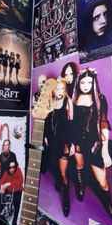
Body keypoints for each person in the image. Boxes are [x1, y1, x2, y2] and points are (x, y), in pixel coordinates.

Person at [72, 68, 112, 221]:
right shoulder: (75, 99)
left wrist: (104, 150)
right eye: (83, 82)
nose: (85, 85)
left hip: (95, 143)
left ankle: (108, 203)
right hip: (78, 140)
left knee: (102, 182)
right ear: (78, 83)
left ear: (94, 83)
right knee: (79, 165)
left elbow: (104, 124)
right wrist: (71, 142)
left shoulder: (100, 98)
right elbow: (72, 123)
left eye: (89, 82)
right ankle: (80, 185)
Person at [42, 78, 73, 216]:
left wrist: (71, 144)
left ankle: (66, 199)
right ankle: (59, 182)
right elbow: (47, 120)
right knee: (53, 165)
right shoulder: (50, 100)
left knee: (63, 172)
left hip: (64, 141)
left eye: (62, 88)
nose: (59, 91)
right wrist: (46, 136)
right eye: (57, 88)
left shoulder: (68, 102)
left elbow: (73, 125)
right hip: (52, 140)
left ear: (65, 89)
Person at [0, 158, 24, 225]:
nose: (12, 169)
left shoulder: (18, 170)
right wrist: (1, 187)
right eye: (10, 167)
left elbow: (20, 181)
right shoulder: (6, 172)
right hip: (9, 190)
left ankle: (14, 220)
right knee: (2, 200)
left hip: (17, 190)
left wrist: (9, 184)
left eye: (13, 167)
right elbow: (1, 181)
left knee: (17, 204)